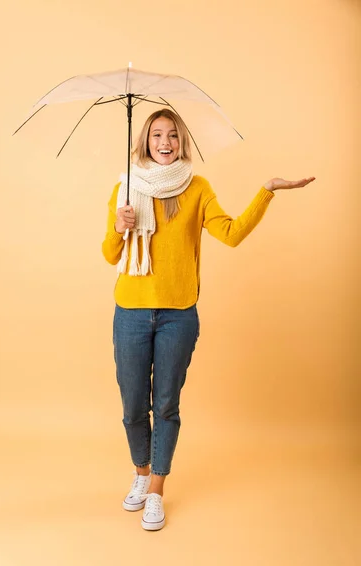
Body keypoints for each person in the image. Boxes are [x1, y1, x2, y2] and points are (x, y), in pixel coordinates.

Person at [102, 108, 315, 532]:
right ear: (144, 141)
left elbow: (232, 234)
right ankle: (141, 474)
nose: (165, 143)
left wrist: (267, 190)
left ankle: (157, 490)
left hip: (178, 315)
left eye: (173, 136)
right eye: (157, 135)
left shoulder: (197, 189)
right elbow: (111, 255)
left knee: (164, 404)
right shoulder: (125, 188)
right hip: (130, 312)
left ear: (182, 143)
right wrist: (119, 226)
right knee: (131, 408)